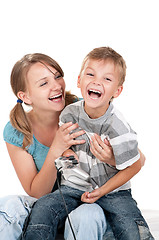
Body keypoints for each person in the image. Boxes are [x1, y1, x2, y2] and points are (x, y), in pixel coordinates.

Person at [20, 47, 154, 240]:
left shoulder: (118, 126)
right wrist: (67, 154)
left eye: (107, 79)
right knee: (43, 208)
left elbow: (134, 165)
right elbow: (67, 145)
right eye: (90, 74)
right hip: (73, 187)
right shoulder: (69, 114)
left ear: (117, 90)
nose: (96, 81)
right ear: (79, 81)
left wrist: (101, 191)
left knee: (130, 227)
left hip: (113, 191)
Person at [1, 52, 116, 240]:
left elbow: (136, 157)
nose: (57, 86)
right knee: (9, 205)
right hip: (47, 211)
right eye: (44, 83)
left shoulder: (85, 109)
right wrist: (56, 148)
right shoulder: (16, 130)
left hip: (90, 203)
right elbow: (38, 193)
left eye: (58, 76)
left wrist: (111, 157)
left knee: (86, 215)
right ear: (26, 96)